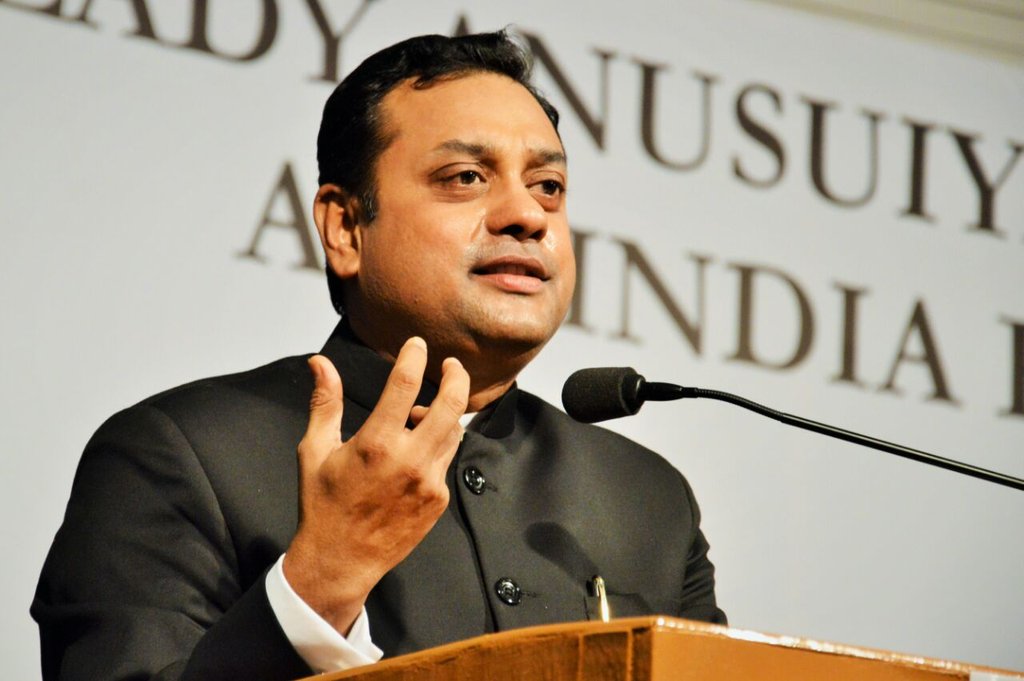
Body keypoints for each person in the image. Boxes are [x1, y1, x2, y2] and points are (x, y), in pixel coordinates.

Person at [32, 31, 725, 681]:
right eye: (465, 177)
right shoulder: (179, 454)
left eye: (548, 186)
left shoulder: (648, 499)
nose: (528, 215)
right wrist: (322, 579)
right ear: (345, 227)